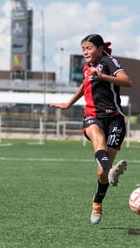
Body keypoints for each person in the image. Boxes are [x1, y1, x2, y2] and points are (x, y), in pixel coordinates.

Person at [50, 34, 132, 225]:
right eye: (83, 49)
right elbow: (84, 86)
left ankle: (97, 202)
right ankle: (111, 170)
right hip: (92, 115)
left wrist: (102, 76)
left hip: (115, 118)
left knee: (101, 174)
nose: (85, 52)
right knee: (97, 139)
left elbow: (127, 81)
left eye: (88, 48)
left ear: (100, 48)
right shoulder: (87, 68)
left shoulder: (109, 61)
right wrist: (68, 103)